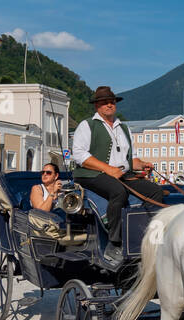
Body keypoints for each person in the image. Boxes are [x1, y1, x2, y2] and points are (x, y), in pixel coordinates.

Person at [71, 85, 166, 263]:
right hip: (90, 174)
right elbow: (79, 155)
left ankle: (152, 237)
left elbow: (131, 159)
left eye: (112, 102)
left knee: (155, 191)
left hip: (121, 174)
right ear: (96, 106)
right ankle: (114, 243)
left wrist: (143, 164)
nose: (109, 105)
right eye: (105, 102)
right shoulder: (87, 125)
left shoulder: (124, 129)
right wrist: (108, 169)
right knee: (118, 192)